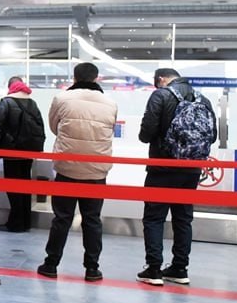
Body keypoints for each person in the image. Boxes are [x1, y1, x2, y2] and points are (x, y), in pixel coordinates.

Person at [37, 62, 117, 282]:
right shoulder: (110, 103)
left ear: (74, 77)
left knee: (62, 218)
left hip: (67, 166)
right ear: (96, 78)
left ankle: (51, 264)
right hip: (96, 170)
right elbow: (109, 130)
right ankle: (92, 268)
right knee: (92, 220)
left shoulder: (62, 99)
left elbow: (54, 127)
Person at [136, 67, 217, 286]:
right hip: (192, 169)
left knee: (154, 218)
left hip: (162, 166)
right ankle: (180, 268)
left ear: (161, 79)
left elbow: (146, 134)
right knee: (183, 218)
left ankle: (153, 270)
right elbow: (213, 136)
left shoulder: (160, 95)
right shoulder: (203, 99)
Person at [0, 76, 46, 232]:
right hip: (28, 152)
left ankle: (15, 223)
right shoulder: (32, 103)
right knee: (25, 186)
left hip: (11, 151)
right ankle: (26, 221)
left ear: (10, 87)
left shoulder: (6, 102)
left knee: (13, 187)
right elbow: (40, 125)